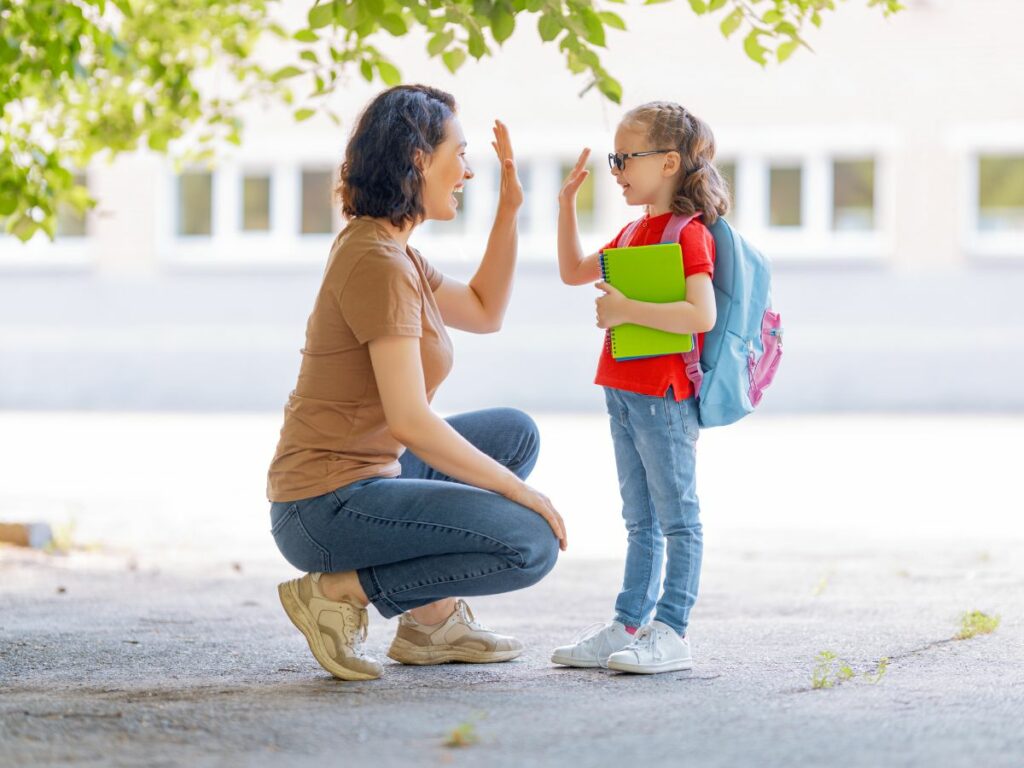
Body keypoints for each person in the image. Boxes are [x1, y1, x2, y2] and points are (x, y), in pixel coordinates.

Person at [267, 85, 566, 681]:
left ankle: (430, 625)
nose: (469, 170)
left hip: (373, 478)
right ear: (417, 158)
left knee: (514, 434)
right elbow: (410, 420)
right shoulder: (378, 262)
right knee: (528, 543)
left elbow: (484, 310)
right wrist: (520, 493)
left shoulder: (393, 250)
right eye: (459, 152)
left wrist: (509, 212)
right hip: (324, 507)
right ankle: (340, 590)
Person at [551, 101, 728, 674]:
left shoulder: (688, 234)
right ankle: (628, 624)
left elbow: (698, 316)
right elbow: (573, 271)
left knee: (678, 517)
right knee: (639, 518)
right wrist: (564, 207)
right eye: (614, 158)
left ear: (670, 162)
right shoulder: (632, 230)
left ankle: (672, 630)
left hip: (664, 394)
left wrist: (627, 307)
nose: (617, 169)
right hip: (623, 389)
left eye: (626, 158)